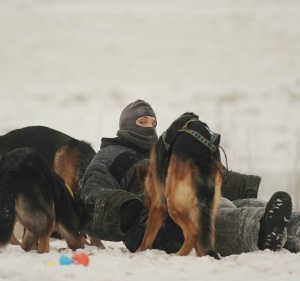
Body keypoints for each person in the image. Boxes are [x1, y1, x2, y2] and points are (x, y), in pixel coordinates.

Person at [78, 99, 300, 256]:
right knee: (210, 220)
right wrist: (123, 207)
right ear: (125, 126)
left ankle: (291, 223)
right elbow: (92, 191)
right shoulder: (109, 155)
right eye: (142, 122)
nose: (149, 127)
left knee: (239, 203)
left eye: (153, 122)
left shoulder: (164, 150)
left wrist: (242, 185)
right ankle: (262, 229)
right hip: (151, 223)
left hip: (191, 198)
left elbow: (199, 173)